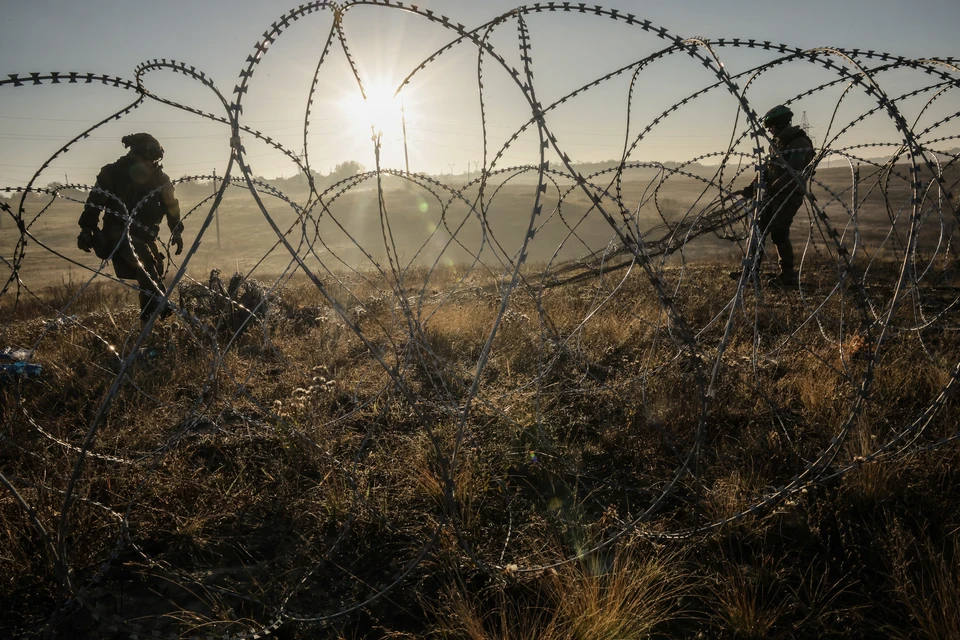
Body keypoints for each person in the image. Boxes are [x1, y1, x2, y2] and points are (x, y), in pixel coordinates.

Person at [77, 133, 184, 322]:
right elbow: (95, 202)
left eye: (154, 160)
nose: (151, 163)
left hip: (147, 233)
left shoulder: (160, 179)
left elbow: (171, 205)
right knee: (145, 260)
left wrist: (176, 229)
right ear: (134, 155)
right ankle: (160, 302)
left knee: (154, 270)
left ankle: (148, 321)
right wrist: (86, 229)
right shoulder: (113, 173)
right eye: (147, 158)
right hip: (118, 230)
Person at [733, 105, 815, 287]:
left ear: (779, 124)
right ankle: (750, 271)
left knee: (779, 231)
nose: (769, 130)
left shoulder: (799, 143)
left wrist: (771, 189)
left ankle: (788, 275)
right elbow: (767, 169)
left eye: (771, 126)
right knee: (758, 229)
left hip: (789, 196)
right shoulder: (778, 144)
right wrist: (751, 187)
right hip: (772, 194)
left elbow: (793, 173)